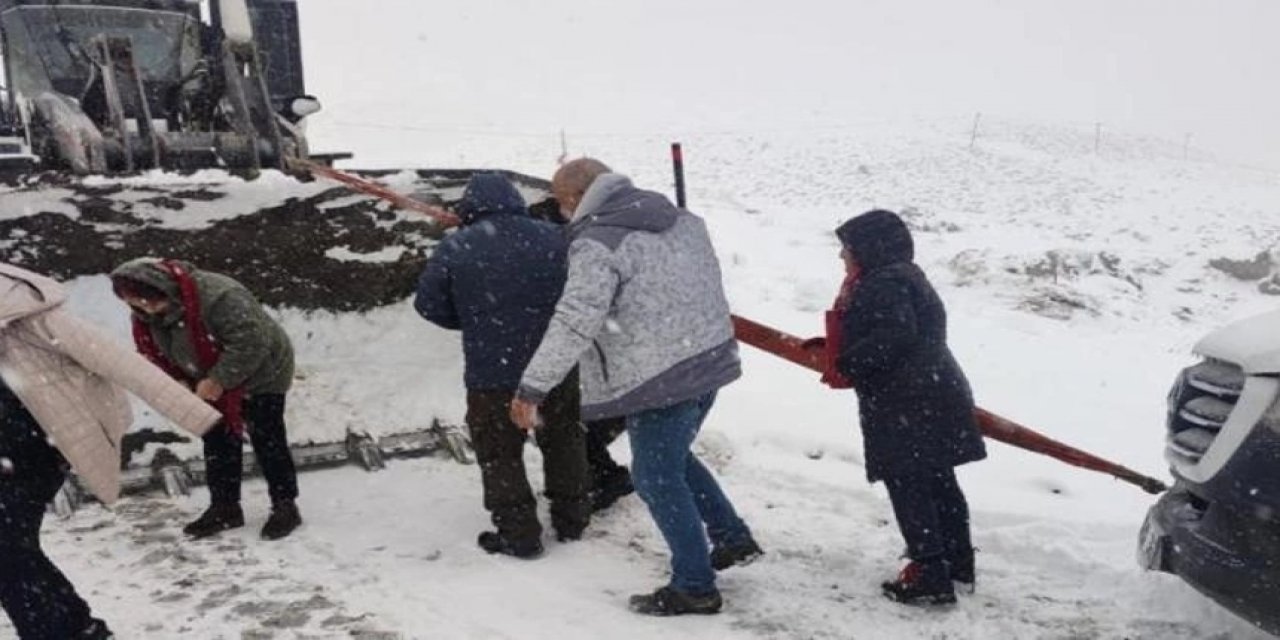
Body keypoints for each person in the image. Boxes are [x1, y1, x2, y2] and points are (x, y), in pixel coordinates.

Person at [511, 158, 762, 616]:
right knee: (672, 457)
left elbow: (573, 322)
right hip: (708, 358)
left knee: (655, 476)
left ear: (574, 199)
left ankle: (695, 586)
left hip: (658, 378)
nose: (561, 211)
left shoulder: (595, 244)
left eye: (560, 201)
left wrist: (532, 387)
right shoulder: (682, 219)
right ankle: (732, 537)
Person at [0, 263, 221, 639]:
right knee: (13, 554)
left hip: (39, 452)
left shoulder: (32, 318)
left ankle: (67, 630)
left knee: (9, 554)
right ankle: (77, 628)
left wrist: (203, 420)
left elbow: (121, 362)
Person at [416, 172, 591, 559]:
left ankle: (519, 532)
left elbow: (427, 304)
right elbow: (582, 292)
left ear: (469, 207)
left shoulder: (457, 246)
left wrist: (471, 318)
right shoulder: (555, 238)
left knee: (499, 452)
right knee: (564, 438)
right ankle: (572, 518)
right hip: (554, 366)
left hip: (493, 372)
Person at [828, 209, 987, 605]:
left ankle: (929, 572)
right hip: (934, 392)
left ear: (869, 248)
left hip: (906, 401)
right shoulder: (905, 275)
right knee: (939, 482)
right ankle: (957, 562)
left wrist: (848, 362)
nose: (843, 256)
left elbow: (895, 334)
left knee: (909, 485)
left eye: (847, 248)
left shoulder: (881, 283)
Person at [110, 258, 302, 540]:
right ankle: (225, 507)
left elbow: (252, 342)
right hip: (203, 373)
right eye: (136, 305)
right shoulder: (145, 313)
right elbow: (154, 353)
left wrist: (218, 380)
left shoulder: (220, 296)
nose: (145, 310)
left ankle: (285, 505)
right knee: (216, 437)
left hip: (263, 370)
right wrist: (178, 380)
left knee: (266, 435)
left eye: (149, 302)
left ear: (163, 289)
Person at [530, 195, 634, 512]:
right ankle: (599, 475)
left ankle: (608, 477)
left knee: (570, 427)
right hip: (613, 359)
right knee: (573, 425)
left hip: (611, 360)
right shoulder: (589, 243)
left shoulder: (578, 254)